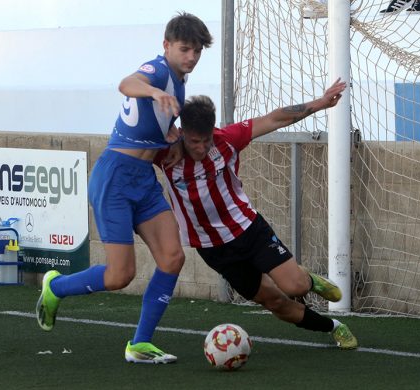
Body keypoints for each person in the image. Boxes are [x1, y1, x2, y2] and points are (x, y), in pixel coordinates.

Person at [36, 12, 213, 364]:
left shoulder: (178, 82)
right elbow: (126, 84)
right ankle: (54, 287)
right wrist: (152, 91)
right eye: (184, 49)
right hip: (115, 177)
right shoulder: (159, 71)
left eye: (196, 51)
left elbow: (150, 124)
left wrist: (171, 138)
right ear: (166, 46)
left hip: (143, 180)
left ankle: (139, 344)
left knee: (173, 257)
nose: (191, 57)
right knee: (120, 275)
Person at [154, 79, 358, 349]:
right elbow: (132, 140)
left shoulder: (226, 140)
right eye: (194, 141)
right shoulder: (165, 155)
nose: (201, 148)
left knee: (294, 286)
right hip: (213, 249)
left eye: (206, 140)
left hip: (248, 230)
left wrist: (319, 104)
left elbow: (274, 119)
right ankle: (334, 326)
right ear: (182, 133)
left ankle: (309, 281)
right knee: (273, 301)